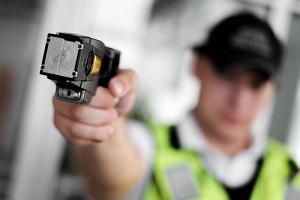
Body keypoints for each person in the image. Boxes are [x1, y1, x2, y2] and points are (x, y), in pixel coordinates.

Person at [53, 12, 300, 200]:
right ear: (197, 66)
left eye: (256, 84)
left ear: (271, 90)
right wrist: (106, 119)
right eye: (228, 76)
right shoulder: (149, 144)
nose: (240, 100)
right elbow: (111, 172)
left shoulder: (290, 172)